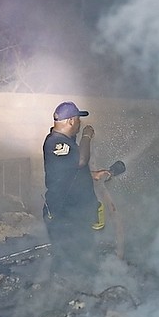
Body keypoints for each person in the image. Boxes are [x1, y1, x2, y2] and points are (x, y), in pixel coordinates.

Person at [42, 101, 110, 274]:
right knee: (69, 259)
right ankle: (66, 292)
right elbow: (80, 161)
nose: (80, 125)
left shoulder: (64, 142)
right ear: (71, 121)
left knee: (80, 256)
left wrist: (92, 174)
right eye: (79, 121)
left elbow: (69, 170)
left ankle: (79, 291)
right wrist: (87, 136)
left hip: (74, 213)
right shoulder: (56, 142)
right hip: (65, 214)